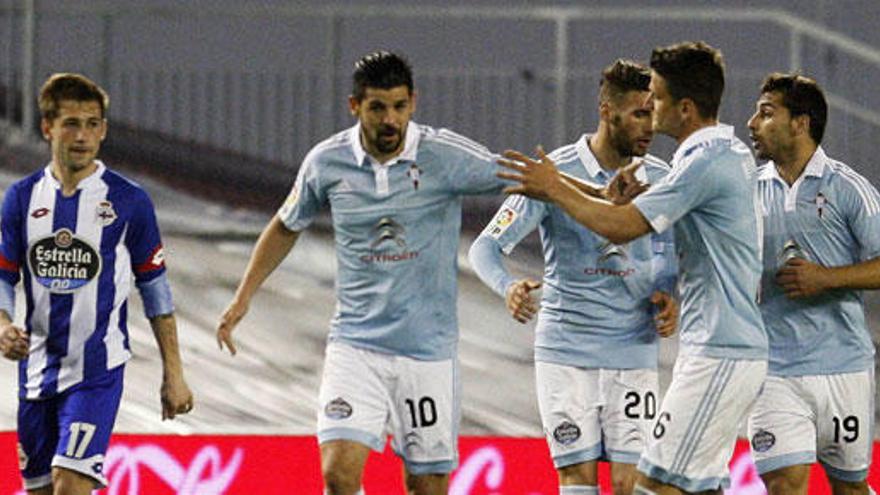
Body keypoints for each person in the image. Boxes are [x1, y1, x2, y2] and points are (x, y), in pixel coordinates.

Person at [215, 51, 507, 495]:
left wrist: (602, 193)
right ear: (355, 106)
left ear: (413, 102)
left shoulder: (443, 155)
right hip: (356, 345)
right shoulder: (327, 162)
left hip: (426, 352)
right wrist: (244, 296)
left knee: (427, 486)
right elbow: (284, 225)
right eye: (377, 108)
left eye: (399, 106)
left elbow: (529, 176)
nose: (390, 119)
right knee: (338, 474)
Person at [496, 41, 768, 494]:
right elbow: (632, 205)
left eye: (656, 98)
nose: (649, 105)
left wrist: (555, 189)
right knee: (700, 486)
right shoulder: (723, 154)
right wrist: (578, 185)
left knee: (651, 486)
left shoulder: (702, 165)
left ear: (683, 108)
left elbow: (621, 227)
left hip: (720, 350)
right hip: (721, 349)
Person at [468, 59, 679, 495]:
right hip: (567, 353)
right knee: (577, 485)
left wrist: (668, 292)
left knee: (631, 485)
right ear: (607, 110)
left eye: (654, 114)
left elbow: (671, 253)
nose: (650, 126)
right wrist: (507, 285)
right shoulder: (552, 173)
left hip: (633, 351)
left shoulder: (661, 180)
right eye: (640, 113)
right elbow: (486, 246)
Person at [0, 73, 193, 494]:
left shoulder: (128, 200)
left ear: (104, 130)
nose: (82, 135)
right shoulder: (21, 198)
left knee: (70, 485)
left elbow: (156, 288)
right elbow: (2, 275)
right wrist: (2, 325)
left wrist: (173, 373)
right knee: (41, 491)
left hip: (96, 373)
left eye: (92, 123)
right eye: (71, 123)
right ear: (47, 126)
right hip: (34, 372)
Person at [746, 73, 880, 495]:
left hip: (843, 368)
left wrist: (826, 278)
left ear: (800, 123)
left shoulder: (848, 189)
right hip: (773, 370)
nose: (751, 122)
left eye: (767, 113)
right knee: (785, 485)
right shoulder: (745, 189)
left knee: (851, 488)